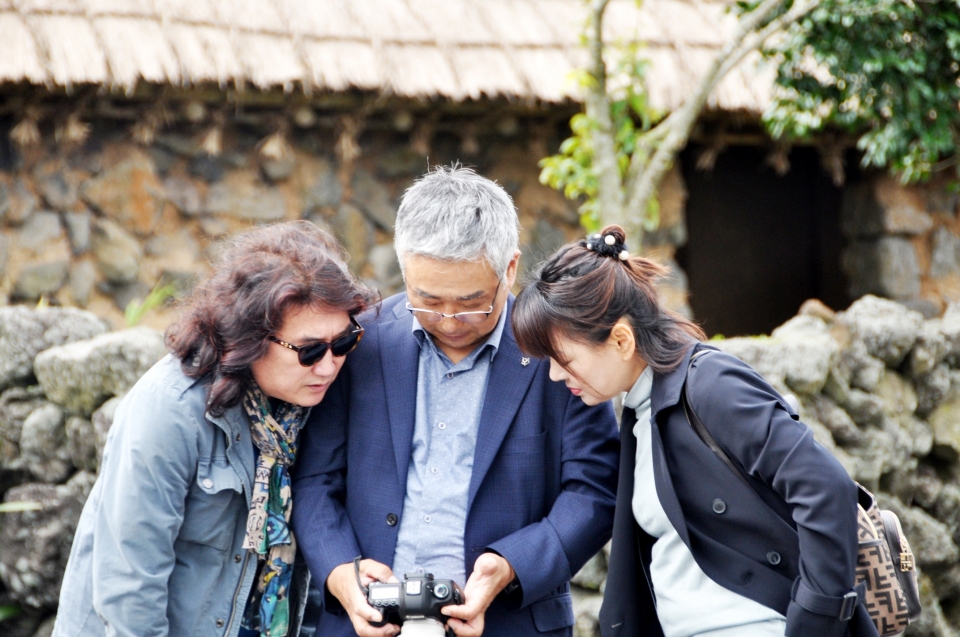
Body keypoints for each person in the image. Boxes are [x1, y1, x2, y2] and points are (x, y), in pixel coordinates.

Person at [291, 166, 620, 637]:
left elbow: (594, 489)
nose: (448, 319)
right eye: (426, 299)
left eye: (470, 302)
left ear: (510, 268)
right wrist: (341, 572)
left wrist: (511, 565)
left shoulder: (559, 351)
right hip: (366, 623)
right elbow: (315, 478)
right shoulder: (359, 342)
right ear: (404, 268)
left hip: (510, 623)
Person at [511, 225, 875, 637]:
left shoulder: (709, 383)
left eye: (564, 359)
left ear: (621, 340)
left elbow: (826, 487)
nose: (556, 375)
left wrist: (812, 622)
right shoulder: (639, 405)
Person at [52, 221, 377, 637]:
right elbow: (128, 588)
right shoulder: (171, 409)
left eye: (343, 343)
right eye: (309, 349)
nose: (329, 365)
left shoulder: (308, 402)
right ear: (251, 337)